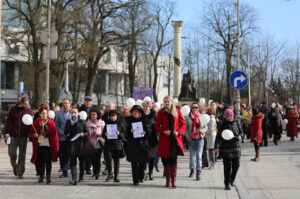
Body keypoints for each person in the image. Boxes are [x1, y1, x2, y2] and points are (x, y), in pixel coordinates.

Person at [155, 96, 186, 188]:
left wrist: (178, 132)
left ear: (172, 102)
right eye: (165, 101)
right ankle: (167, 180)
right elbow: (156, 126)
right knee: (165, 160)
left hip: (174, 139)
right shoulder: (161, 112)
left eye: (168, 101)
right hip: (164, 139)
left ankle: (174, 180)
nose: (166, 103)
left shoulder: (177, 111)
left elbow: (183, 123)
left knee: (173, 160)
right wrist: (163, 131)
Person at [29, 104, 59, 184]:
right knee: (40, 162)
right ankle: (41, 176)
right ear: (39, 114)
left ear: (47, 113)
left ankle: (48, 177)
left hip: (49, 145)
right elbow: (31, 133)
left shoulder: (51, 123)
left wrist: (57, 146)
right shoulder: (36, 123)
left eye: (45, 113)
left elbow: (55, 135)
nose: (44, 114)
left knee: (48, 162)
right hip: (39, 145)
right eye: (42, 113)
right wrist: (34, 135)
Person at [4, 97, 33, 179]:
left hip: (23, 136)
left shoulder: (28, 111)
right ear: (21, 103)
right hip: (13, 135)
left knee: (22, 155)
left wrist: (29, 134)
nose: (27, 105)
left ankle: (21, 172)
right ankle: (15, 166)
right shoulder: (13, 109)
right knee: (12, 154)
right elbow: (8, 121)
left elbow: (30, 123)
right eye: (26, 104)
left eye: (28, 104)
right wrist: (7, 132)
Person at [215, 108, 242, 190]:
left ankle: (232, 179)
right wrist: (216, 146)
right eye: (228, 116)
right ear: (225, 117)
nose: (229, 117)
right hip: (226, 148)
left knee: (236, 165)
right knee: (227, 167)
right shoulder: (222, 124)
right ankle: (227, 183)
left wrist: (241, 136)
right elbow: (218, 137)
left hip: (236, 147)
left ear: (233, 116)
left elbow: (241, 132)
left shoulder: (236, 122)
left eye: (231, 116)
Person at [64, 107, 89, 185]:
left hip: (81, 144)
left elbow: (87, 133)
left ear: (78, 113)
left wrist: (83, 134)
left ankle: (81, 177)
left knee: (82, 161)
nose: (73, 114)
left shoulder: (82, 122)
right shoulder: (68, 122)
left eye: (75, 112)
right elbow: (65, 132)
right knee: (73, 162)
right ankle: (74, 178)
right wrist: (71, 125)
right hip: (72, 144)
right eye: (72, 112)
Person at [125, 105, 149, 185]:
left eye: (137, 112)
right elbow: (125, 133)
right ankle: (135, 180)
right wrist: (130, 131)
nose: (135, 113)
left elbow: (149, 131)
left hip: (142, 144)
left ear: (140, 113)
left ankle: (141, 176)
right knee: (134, 163)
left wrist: (145, 133)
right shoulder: (128, 120)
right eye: (134, 112)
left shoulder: (144, 120)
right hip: (132, 145)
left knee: (142, 162)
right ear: (132, 112)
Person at [184, 102, 207, 181]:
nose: (194, 109)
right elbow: (185, 128)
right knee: (192, 156)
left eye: (196, 107)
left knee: (199, 156)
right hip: (191, 139)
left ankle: (198, 172)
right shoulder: (187, 117)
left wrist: (202, 130)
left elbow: (206, 127)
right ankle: (192, 169)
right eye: (193, 107)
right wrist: (187, 137)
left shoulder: (202, 117)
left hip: (200, 139)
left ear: (198, 108)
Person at [102, 110, 125, 182]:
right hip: (108, 144)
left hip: (117, 144)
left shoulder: (120, 123)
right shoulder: (107, 124)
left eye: (114, 116)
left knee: (116, 161)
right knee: (108, 159)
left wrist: (119, 134)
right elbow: (103, 134)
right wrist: (105, 134)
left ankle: (116, 176)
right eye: (111, 116)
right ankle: (110, 174)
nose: (112, 117)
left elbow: (123, 135)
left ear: (116, 116)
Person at [86, 108, 105, 179]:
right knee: (92, 159)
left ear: (97, 115)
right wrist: (90, 134)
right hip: (90, 143)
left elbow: (104, 133)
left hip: (98, 143)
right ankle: (94, 172)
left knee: (98, 158)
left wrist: (98, 133)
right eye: (91, 114)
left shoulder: (102, 122)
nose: (93, 116)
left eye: (94, 114)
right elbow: (86, 132)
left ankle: (97, 173)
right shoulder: (87, 123)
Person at [55, 98, 71, 178]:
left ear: (69, 104)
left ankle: (69, 168)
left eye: (67, 103)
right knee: (62, 155)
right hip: (62, 137)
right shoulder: (58, 114)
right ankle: (64, 171)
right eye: (64, 103)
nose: (65, 105)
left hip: (71, 137)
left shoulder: (73, 113)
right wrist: (60, 131)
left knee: (69, 154)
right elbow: (56, 125)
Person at [142, 101, 158, 180]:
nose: (145, 108)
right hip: (144, 138)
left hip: (153, 138)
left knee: (152, 157)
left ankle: (150, 173)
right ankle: (144, 172)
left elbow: (157, 125)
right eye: (144, 106)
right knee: (144, 156)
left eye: (146, 106)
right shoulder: (141, 115)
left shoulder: (154, 114)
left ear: (150, 107)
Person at [79, 96, 93, 175]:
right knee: (82, 151)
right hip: (82, 132)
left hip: (90, 133)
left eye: (89, 101)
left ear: (91, 102)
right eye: (86, 101)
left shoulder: (93, 110)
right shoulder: (80, 109)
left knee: (89, 151)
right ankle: (83, 167)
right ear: (84, 101)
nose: (88, 102)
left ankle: (88, 168)